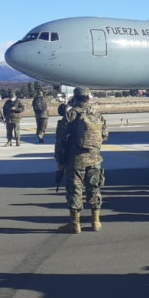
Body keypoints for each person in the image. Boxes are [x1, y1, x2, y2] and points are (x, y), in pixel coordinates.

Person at [55, 87, 109, 233]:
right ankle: (96, 222)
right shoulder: (97, 115)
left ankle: (75, 223)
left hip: (76, 159)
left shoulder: (71, 115)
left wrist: (59, 159)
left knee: (75, 190)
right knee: (94, 188)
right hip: (95, 158)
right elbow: (104, 136)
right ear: (88, 98)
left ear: (75, 98)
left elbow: (60, 139)